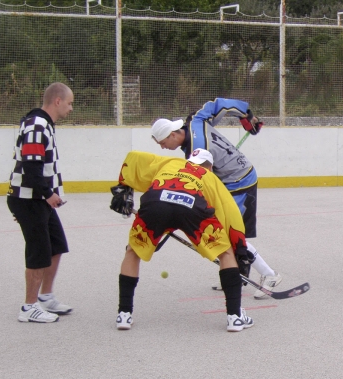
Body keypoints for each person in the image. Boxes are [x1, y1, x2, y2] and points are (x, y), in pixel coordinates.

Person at [151, 98, 282, 299]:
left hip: (240, 182)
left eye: (163, 143)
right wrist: (246, 115)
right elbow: (220, 104)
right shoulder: (195, 120)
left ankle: (270, 275)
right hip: (230, 180)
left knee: (231, 234)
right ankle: (237, 274)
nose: (163, 148)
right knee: (225, 231)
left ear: (173, 134)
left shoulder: (197, 152)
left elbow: (201, 185)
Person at [109, 150, 255, 332]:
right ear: (210, 168)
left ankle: (124, 314)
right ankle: (235, 317)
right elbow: (231, 215)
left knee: (133, 251)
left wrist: (124, 187)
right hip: (192, 207)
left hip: (156, 203)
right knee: (226, 254)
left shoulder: (169, 162)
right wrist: (239, 250)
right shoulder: (211, 178)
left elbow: (134, 157)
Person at [6, 82, 74, 323]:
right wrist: (48, 194)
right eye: (69, 103)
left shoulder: (44, 124)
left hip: (38, 200)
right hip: (30, 199)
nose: (71, 108)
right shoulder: (37, 125)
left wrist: (47, 196)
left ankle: (45, 296)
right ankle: (29, 307)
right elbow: (31, 166)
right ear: (57, 101)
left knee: (56, 245)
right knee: (39, 252)